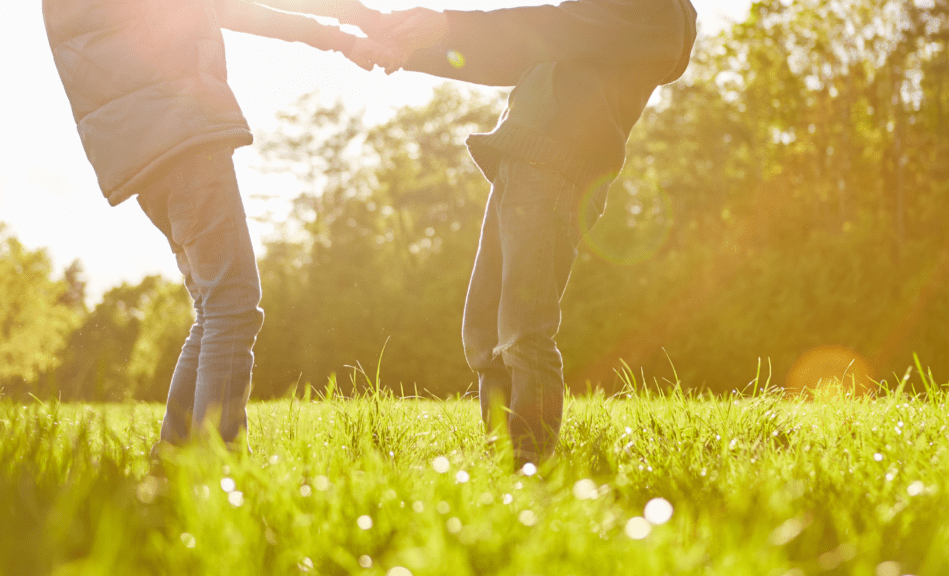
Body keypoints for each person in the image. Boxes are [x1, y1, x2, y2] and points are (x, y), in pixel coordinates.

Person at [41, 0, 395, 452]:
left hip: (139, 151)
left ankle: (176, 457)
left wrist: (343, 37)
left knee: (214, 309)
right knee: (232, 303)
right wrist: (352, 21)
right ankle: (218, 461)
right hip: (181, 132)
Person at [371, 0, 699, 469]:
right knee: (485, 333)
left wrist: (445, 23)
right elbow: (513, 51)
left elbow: (549, 27)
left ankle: (530, 463)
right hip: (520, 163)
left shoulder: (654, 13)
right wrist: (413, 50)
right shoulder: (593, 17)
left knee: (525, 330)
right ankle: (502, 456)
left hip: (556, 171)